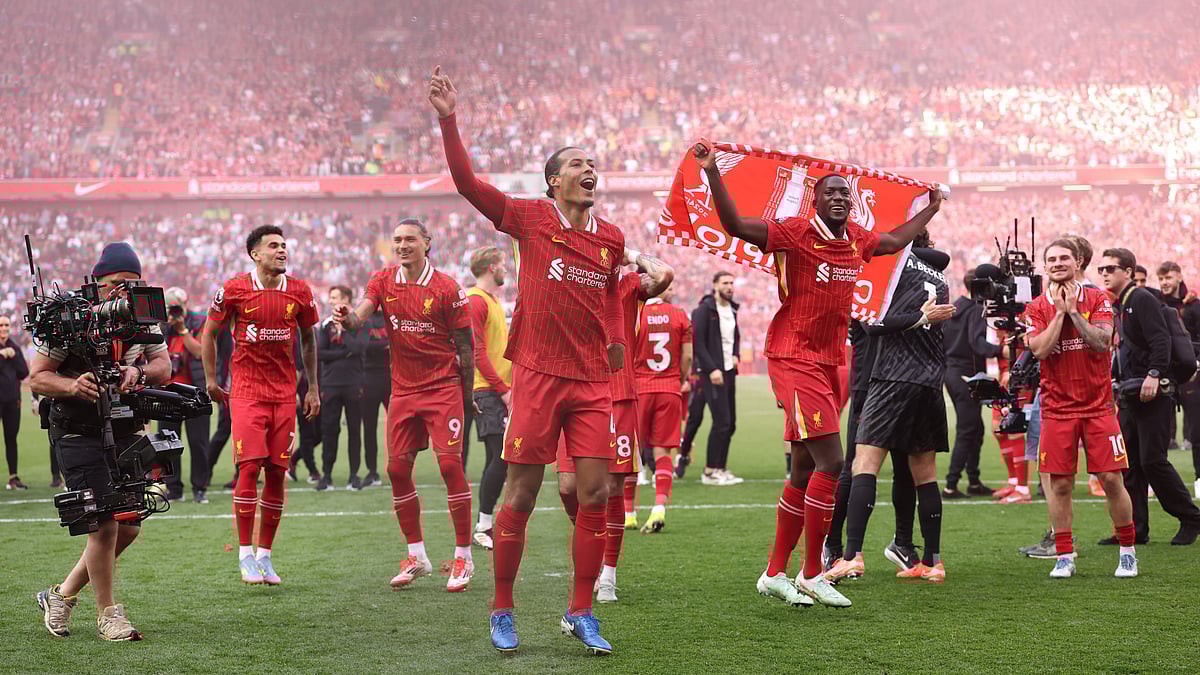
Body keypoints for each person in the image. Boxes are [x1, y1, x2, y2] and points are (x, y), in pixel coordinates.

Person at [692, 137, 944, 607]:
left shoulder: (857, 239)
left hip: (829, 361)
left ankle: (774, 573)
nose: (839, 198)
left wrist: (930, 209)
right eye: (830, 192)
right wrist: (712, 171)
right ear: (815, 200)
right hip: (794, 356)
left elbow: (893, 241)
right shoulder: (793, 233)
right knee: (832, 461)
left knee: (804, 468)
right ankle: (812, 573)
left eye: (845, 193)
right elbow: (734, 225)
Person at [433, 66, 625, 655]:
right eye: (577, 164)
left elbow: (610, 296)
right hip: (538, 374)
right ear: (553, 182)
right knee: (519, 496)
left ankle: (581, 611)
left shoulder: (612, 238)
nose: (589, 170)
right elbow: (467, 183)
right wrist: (449, 119)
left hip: (592, 379)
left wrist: (616, 341)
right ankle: (502, 609)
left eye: (592, 163)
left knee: (595, 495)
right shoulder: (530, 219)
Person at [32, 242, 171, 640]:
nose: (124, 291)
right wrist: (72, 385)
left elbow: (163, 365)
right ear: (97, 281)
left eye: (132, 283)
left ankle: (61, 594)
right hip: (77, 429)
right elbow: (38, 376)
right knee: (105, 524)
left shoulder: (143, 314)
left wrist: (137, 372)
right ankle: (109, 615)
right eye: (117, 282)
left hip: (125, 427)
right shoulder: (69, 316)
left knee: (129, 527)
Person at [333, 218, 477, 593]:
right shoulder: (383, 281)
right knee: (396, 470)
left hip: (443, 388)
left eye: (410, 239)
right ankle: (417, 556)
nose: (402, 245)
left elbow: (466, 347)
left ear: (426, 243)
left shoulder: (447, 288)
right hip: (404, 390)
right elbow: (359, 318)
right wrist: (346, 317)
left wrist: (467, 394)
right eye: (397, 239)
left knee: (450, 466)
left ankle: (464, 557)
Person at [827, 233, 955, 584]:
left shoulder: (889, 265)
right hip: (931, 381)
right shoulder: (939, 274)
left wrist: (915, 318)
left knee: (864, 464)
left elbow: (872, 325)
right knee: (925, 473)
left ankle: (851, 557)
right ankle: (932, 562)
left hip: (892, 376)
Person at [201, 225, 321, 586]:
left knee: (277, 472)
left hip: (284, 395)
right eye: (273, 246)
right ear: (255, 254)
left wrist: (312, 387)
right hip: (247, 392)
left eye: (284, 245)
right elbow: (209, 333)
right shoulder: (234, 289)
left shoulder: (300, 291)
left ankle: (265, 555)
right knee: (249, 468)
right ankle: (245, 555)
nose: (282, 250)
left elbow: (309, 340)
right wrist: (210, 380)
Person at [557, 250, 673, 604]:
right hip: (573, 391)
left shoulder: (627, 286)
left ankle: (608, 573)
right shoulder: (569, 283)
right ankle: (593, 540)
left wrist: (632, 255)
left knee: (611, 486)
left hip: (617, 392)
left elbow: (664, 275)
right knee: (568, 486)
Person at [1024, 240, 1137, 578]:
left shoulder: (1098, 298)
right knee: (1060, 484)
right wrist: (1060, 313)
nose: (1058, 263)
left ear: (1078, 263)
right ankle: (1064, 555)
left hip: (1099, 407)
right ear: (1045, 266)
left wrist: (1074, 311)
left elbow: (1102, 342)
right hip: (1056, 409)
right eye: (1052, 259)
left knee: (1111, 479)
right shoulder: (1036, 307)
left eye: (1064, 258)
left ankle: (1128, 551)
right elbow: (1039, 350)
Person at [1101, 250, 1200, 545]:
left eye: (1110, 268)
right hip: (1131, 392)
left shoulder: (1141, 298)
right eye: (1102, 268)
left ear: (1128, 272)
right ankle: (1136, 529)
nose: (1104, 273)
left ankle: (1191, 518)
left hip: (1153, 392)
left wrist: (1155, 373)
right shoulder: (1122, 303)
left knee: (1153, 461)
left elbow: (1160, 339)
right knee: (1130, 464)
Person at [634, 279, 692, 534]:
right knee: (663, 451)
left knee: (632, 450)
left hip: (640, 388)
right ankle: (659, 507)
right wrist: (679, 380)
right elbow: (687, 356)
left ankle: (627, 513)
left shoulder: (636, 313)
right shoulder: (680, 315)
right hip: (669, 388)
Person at [464, 246, 512, 551]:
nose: (505, 269)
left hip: (497, 389)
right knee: (500, 456)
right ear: (492, 267)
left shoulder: (492, 300)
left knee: (500, 456)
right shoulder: (476, 300)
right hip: (488, 391)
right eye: (502, 264)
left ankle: (486, 524)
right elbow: (477, 352)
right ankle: (483, 526)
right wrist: (503, 389)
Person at [942, 268, 1003, 498]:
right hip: (967, 375)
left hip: (952, 372)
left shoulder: (954, 308)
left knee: (975, 429)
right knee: (968, 430)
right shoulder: (977, 309)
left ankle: (974, 482)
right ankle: (951, 485)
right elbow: (976, 343)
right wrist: (1002, 351)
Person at [158, 288, 212, 504]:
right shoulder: (161, 326)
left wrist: (182, 330)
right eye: (169, 308)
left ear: (184, 304)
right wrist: (163, 327)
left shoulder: (199, 321)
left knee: (198, 442)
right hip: (167, 393)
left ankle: (200, 488)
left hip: (194, 392)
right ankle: (174, 488)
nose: (173, 312)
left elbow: (200, 352)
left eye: (176, 307)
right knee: (167, 443)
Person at [689, 271, 742, 486]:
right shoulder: (704, 310)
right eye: (725, 283)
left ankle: (721, 468)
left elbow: (735, 337)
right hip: (712, 373)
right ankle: (710, 471)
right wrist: (711, 369)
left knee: (730, 424)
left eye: (732, 283)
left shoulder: (732, 309)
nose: (730, 287)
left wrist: (736, 355)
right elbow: (698, 343)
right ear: (715, 285)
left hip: (729, 371)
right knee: (721, 422)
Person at [316, 285, 367, 491]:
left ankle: (354, 476)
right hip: (331, 384)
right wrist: (344, 353)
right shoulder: (326, 325)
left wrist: (344, 329)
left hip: (354, 384)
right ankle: (326, 476)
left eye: (334, 297)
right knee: (329, 430)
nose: (330, 301)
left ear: (346, 299)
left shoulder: (359, 323)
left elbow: (358, 348)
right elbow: (321, 354)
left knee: (354, 431)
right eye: (330, 297)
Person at [1156, 261, 1199, 458]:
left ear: (1179, 277)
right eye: (1161, 279)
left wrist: (1197, 362)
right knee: (1160, 425)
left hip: (1193, 371)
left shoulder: (1194, 306)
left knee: (1196, 424)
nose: (1164, 282)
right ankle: (1169, 441)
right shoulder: (1155, 304)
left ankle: (1190, 441)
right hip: (1166, 370)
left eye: (1168, 277)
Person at [360, 308, 390, 488]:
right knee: (369, 428)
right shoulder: (364, 319)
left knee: (397, 428)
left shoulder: (392, 316)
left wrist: (380, 345)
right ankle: (372, 471)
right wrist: (385, 345)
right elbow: (362, 345)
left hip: (390, 378)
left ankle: (398, 468)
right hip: (368, 378)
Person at [1, 316, 29, 490]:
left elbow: (24, 372)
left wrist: (12, 356)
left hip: (13, 401)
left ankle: (13, 477)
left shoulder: (14, 347)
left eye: (6, 325)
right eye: (1, 325)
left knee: (11, 438)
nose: (4, 328)